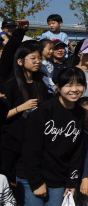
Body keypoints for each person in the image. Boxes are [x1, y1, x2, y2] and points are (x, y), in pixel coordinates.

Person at [16, 67, 86, 206]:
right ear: (58, 87)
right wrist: (36, 182)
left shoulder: (80, 113)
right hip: (31, 176)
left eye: (79, 84)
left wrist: (72, 182)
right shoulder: (44, 111)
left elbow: (76, 151)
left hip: (58, 179)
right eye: (69, 85)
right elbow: (30, 149)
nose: (74, 89)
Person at [1, 40, 51, 185]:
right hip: (10, 143)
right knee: (8, 182)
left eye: (39, 58)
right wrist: (21, 108)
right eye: (33, 58)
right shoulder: (10, 85)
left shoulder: (40, 83)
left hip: (31, 142)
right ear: (20, 61)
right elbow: (2, 116)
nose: (37, 62)